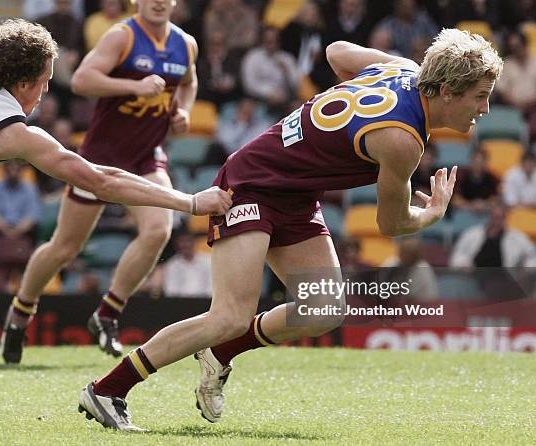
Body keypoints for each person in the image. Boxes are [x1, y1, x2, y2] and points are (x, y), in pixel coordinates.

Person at [77, 29, 501, 431]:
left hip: (295, 193)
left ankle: (219, 353)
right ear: (446, 91)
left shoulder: (400, 69)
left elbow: (336, 51)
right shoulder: (402, 140)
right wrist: (433, 214)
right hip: (251, 183)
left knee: (322, 310)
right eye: (480, 97)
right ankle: (107, 390)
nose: (484, 109)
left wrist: (343, 105)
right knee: (229, 315)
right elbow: (391, 224)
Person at [0, 16, 231, 338]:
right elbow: (102, 180)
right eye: (44, 82)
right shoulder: (11, 132)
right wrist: (191, 201)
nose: (45, 92)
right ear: (24, 84)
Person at [0, 0, 205, 364]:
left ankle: (108, 313)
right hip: (100, 159)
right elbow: (81, 80)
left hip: (146, 155)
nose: (158, 2)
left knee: (159, 229)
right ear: (136, 2)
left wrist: (184, 110)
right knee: (65, 247)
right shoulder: (122, 36)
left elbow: (189, 82)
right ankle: (20, 313)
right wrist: (133, 87)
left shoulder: (185, 43)